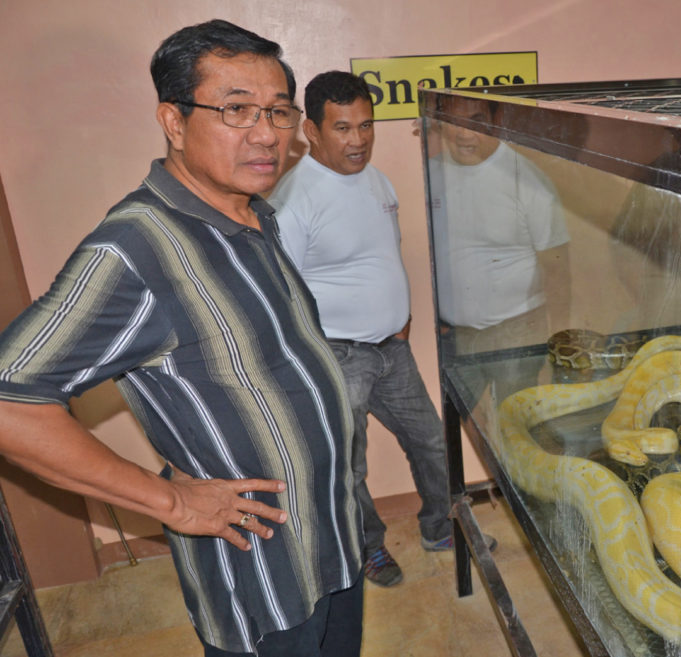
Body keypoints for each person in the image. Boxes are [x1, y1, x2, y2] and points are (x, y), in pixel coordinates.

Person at [0, 20, 364, 657]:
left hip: (330, 542)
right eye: (235, 110)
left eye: (279, 112)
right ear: (173, 121)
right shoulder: (136, 248)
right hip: (263, 582)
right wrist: (169, 499)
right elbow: (10, 405)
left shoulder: (253, 212)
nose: (266, 134)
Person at [269, 72, 494, 588]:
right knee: (350, 469)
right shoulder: (293, 197)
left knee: (432, 444)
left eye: (366, 125)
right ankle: (368, 549)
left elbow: (382, 254)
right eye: (343, 128)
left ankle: (441, 528)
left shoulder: (374, 178)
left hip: (392, 349)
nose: (359, 140)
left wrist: (400, 316)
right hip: (337, 356)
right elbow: (281, 292)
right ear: (312, 130)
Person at [427, 95, 571, 407]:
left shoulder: (528, 180)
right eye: (454, 123)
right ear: (440, 124)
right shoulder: (430, 175)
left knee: (516, 429)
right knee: (450, 431)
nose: (464, 134)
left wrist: (557, 355)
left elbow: (558, 272)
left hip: (517, 334)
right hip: (454, 338)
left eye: (476, 122)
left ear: (495, 123)